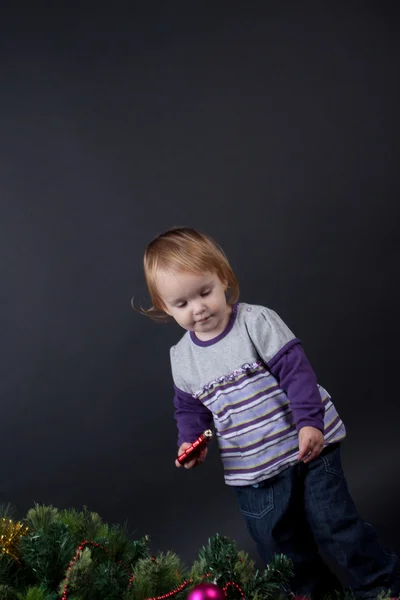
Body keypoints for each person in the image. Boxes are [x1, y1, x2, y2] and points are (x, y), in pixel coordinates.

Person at [140, 226, 399, 599]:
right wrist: (190, 442)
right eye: (181, 304)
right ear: (165, 307)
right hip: (253, 469)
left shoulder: (255, 323)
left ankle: (381, 586)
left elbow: (297, 373)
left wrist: (310, 422)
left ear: (224, 280)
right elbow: (189, 409)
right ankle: (314, 594)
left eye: (205, 292)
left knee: (335, 525)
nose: (197, 309)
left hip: (308, 448)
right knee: (279, 545)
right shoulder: (182, 359)